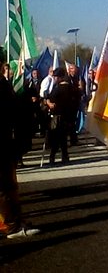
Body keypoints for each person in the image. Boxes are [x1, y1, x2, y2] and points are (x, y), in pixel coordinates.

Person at [0, 60, 40, 239]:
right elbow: (12, 109)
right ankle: (10, 225)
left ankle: (13, 221)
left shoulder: (2, 83)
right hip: (2, 140)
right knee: (5, 185)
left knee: (9, 185)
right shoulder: (1, 85)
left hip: (6, 139)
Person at [44, 68, 79, 166]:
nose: (54, 78)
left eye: (56, 77)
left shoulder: (58, 89)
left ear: (60, 78)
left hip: (58, 116)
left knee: (56, 138)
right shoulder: (72, 88)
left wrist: (48, 102)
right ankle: (65, 156)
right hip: (68, 117)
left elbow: (50, 100)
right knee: (63, 138)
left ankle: (52, 157)